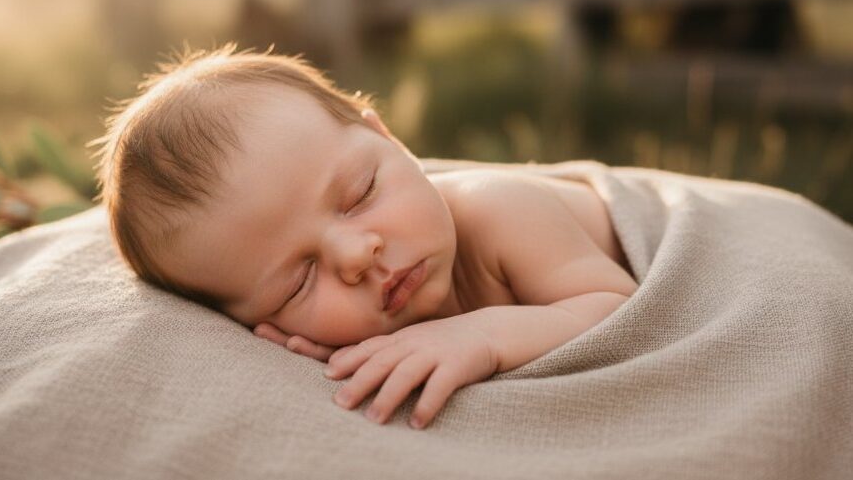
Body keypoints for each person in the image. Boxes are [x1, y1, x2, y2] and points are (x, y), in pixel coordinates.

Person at [92, 44, 639, 430]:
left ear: (389, 139)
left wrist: (482, 336)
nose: (357, 255)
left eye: (359, 194)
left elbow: (616, 305)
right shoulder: (332, 323)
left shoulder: (500, 210)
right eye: (298, 283)